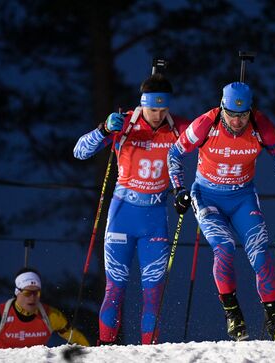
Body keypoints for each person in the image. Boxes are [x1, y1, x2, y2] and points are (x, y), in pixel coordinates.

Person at [167, 81, 275, 341]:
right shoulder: (205, 123)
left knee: (260, 253)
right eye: (231, 114)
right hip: (207, 196)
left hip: (242, 197)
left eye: (243, 115)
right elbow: (175, 153)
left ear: (250, 110)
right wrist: (179, 190)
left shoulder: (260, 124)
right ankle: (233, 315)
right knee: (225, 247)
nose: (238, 121)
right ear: (222, 108)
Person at [73, 73, 189, 345]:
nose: (158, 115)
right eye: (152, 109)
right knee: (114, 290)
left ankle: (150, 353)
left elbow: (210, 136)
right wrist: (103, 129)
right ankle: (106, 348)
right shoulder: (124, 123)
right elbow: (79, 151)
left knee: (153, 293)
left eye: (163, 110)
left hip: (155, 219)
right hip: (122, 216)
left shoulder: (178, 127)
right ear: (142, 104)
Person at [0, 267, 89, 348]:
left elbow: (77, 338)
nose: (32, 297)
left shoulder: (51, 315)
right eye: (27, 293)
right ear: (17, 292)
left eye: (36, 293)